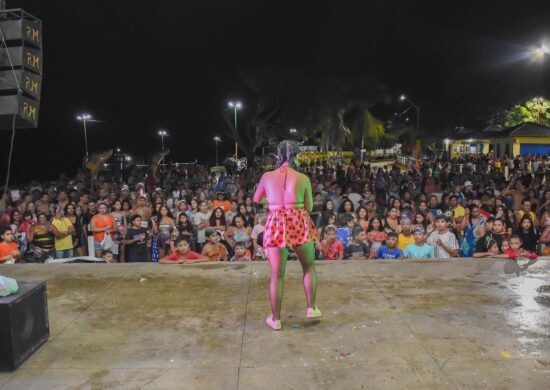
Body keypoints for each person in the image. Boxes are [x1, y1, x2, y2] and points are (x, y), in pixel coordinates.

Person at [253, 140, 320, 331]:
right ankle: (311, 308)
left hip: (275, 222)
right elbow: (309, 206)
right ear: (297, 155)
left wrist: (272, 202)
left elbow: (257, 199)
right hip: (299, 220)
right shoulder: (303, 177)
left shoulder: (267, 176)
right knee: (308, 267)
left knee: (276, 274)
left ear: (278, 156)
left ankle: (275, 319)